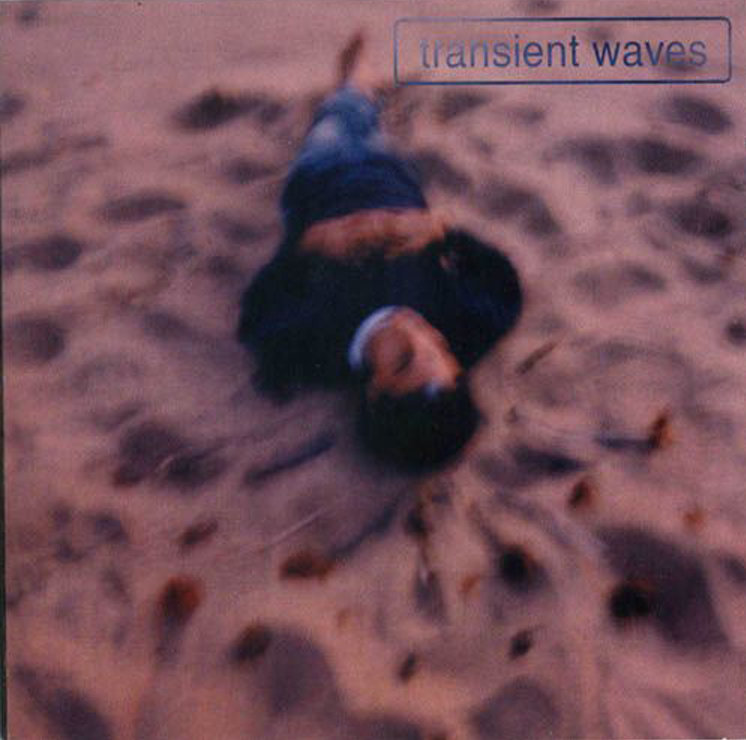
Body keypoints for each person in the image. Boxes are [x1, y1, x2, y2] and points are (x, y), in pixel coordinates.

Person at [237, 33, 522, 469]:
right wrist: (444, 232)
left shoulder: (317, 344)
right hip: (396, 182)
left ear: (375, 392)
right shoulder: (463, 325)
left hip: (324, 177)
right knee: (376, 134)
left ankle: (355, 81)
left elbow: (257, 314)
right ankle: (365, 91)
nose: (418, 333)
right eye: (441, 349)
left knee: (341, 119)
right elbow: (505, 293)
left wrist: (310, 245)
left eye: (404, 360)